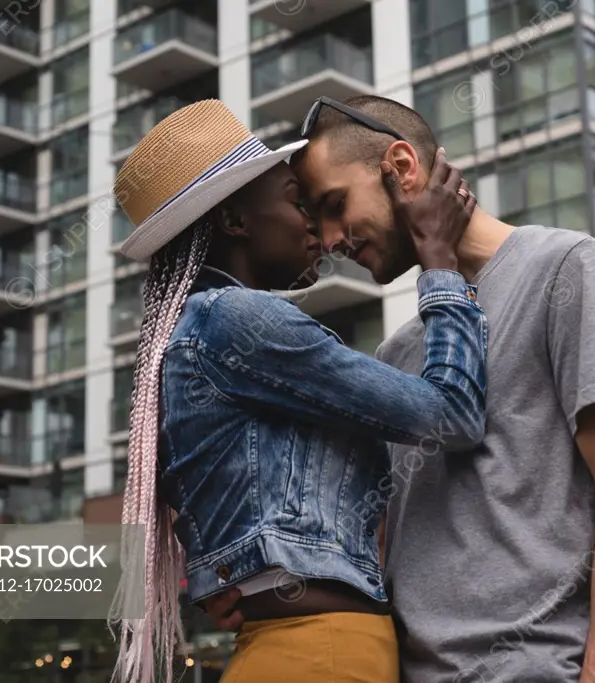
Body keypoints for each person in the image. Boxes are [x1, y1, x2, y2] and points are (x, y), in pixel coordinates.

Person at [205, 95, 595, 683]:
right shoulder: (397, 353)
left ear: (401, 167)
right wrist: (263, 586)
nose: (333, 238)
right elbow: (376, 539)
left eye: (336, 205)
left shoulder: (567, 269)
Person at [107, 99, 490, 683]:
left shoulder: (189, 334)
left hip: (290, 648)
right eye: (297, 201)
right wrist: (440, 264)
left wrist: (228, 573)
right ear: (236, 221)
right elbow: (452, 417)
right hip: (325, 650)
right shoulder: (240, 320)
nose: (316, 225)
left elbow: (186, 481)